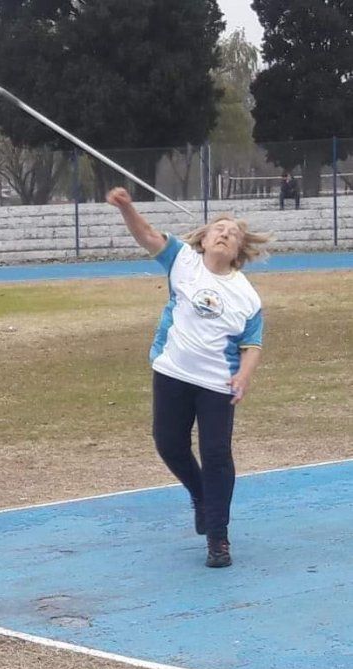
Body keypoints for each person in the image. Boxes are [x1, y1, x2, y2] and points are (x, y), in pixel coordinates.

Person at [107, 187, 269, 568]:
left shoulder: (247, 296)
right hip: (172, 372)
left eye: (233, 233)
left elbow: (252, 344)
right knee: (168, 443)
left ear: (238, 251)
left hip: (217, 384)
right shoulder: (182, 259)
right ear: (205, 237)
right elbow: (147, 236)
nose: (224, 233)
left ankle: (218, 538)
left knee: (216, 456)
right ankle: (200, 495)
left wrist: (243, 377)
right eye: (219, 228)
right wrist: (127, 207)